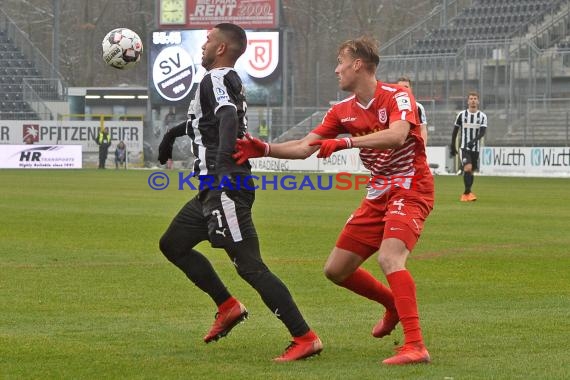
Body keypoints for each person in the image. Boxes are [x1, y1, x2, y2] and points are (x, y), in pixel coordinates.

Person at [234, 36, 434, 365]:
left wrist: (346, 144)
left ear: (358, 64)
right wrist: (265, 149)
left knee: (390, 258)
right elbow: (305, 147)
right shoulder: (341, 111)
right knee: (336, 270)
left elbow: (398, 136)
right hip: (379, 191)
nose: (336, 69)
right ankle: (393, 304)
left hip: (411, 186)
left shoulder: (398, 96)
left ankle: (415, 345)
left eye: (341, 62)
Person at [156, 23, 322, 362]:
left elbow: (228, 118)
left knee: (250, 266)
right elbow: (208, 124)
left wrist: (219, 172)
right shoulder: (227, 80)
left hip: (224, 187)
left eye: (208, 39)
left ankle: (304, 336)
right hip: (213, 189)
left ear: (220, 49)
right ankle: (228, 306)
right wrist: (171, 134)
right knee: (172, 244)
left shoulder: (215, 79)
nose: (203, 44)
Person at [450, 91, 487, 202]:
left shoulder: (482, 116)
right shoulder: (461, 115)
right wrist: (452, 145)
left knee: (471, 171)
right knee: (467, 168)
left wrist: (473, 141)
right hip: (464, 147)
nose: (473, 100)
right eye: (471, 98)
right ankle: (467, 193)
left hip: (475, 149)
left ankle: (468, 193)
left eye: (475, 98)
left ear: (478, 101)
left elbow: (482, 133)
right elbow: (455, 131)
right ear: (467, 101)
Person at [397, 76, 428, 146]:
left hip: (412, 148)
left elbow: (422, 129)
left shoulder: (418, 107)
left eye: (406, 87)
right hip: (395, 149)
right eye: (399, 87)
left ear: (411, 89)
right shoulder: (390, 106)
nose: (402, 89)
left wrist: (423, 148)